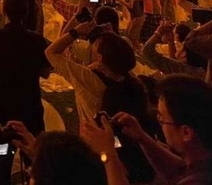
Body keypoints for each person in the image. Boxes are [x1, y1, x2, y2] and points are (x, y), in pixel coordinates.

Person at [46, 24, 155, 182]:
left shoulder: (90, 80)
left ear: (100, 58)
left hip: (98, 151)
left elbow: (51, 52)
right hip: (130, 154)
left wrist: (75, 32)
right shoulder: (131, 81)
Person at [107, 75, 212, 184]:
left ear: (186, 132)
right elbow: (180, 171)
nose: (161, 125)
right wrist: (142, 137)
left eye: (162, 119)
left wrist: (108, 155)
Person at [0, 0, 52, 136]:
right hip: (31, 108)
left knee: (1, 151)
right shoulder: (36, 39)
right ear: (27, 12)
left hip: (3, 108)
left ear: (4, 11)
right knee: (32, 151)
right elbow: (46, 73)